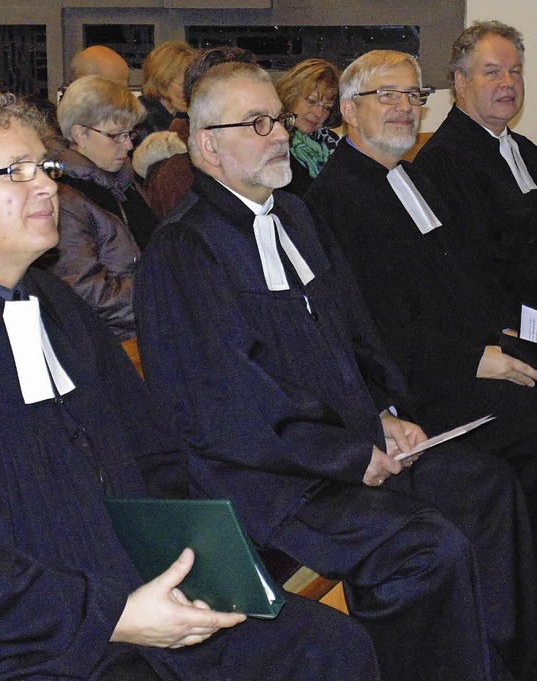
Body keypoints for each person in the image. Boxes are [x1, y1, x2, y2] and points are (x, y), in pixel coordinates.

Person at [0, 88, 384, 681]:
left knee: (329, 645)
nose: (47, 187)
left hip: (134, 589)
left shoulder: (53, 303)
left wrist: (205, 561)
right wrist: (115, 615)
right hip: (33, 641)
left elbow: (151, 449)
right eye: (16, 173)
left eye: (44, 168)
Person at [134, 60, 537, 681]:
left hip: (343, 451)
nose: (279, 135)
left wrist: (385, 412)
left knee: (488, 492)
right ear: (208, 144)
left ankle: (502, 664)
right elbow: (230, 408)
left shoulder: (294, 215)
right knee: (429, 551)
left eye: (280, 120)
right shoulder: (185, 252)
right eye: (259, 123)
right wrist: (349, 454)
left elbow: (355, 334)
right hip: (271, 482)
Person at [304, 48, 537, 530]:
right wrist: (476, 357)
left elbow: (463, 278)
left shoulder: (407, 175)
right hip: (420, 388)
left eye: (413, 94)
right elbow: (372, 326)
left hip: (470, 353)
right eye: (387, 95)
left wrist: (507, 331)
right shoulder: (335, 199)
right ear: (349, 110)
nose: (405, 107)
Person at [414, 20, 537, 310]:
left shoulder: (526, 150)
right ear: (460, 80)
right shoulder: (442, 161)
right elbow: (472, 270)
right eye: (492, 72)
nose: (508, 82)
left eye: (515, 72)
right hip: (505, 328)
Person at [42, 75, 157, 371]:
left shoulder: (123, 183)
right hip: (111, 349)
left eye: (131, 133)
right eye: (116, 135)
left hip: (146, 335)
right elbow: (86, 290)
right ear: (80, 134)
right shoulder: (62, 197)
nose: (129, 145)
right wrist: (161, 298)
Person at [133, 46, 257, 218]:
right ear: (162, 82)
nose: (190, 91)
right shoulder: (142, 125)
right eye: (186, 84)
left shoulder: (182, 123)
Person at [275, 58, 341, 196]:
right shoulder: (272, 142)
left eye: (327, 108)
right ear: (290, 94)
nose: (319, 113)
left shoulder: (330, 146)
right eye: (311, 101)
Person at [134, 40, 198, 146]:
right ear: (163, 82)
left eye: (194, 84)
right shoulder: (138, 119)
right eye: (183, 85)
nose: (190, 91)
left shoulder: (187, 118)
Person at [57, 45, 131, 102]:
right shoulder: (55, 119)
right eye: (113, 89)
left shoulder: (126, 117)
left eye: (124, 89)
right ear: (82, 84)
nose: (122, 98)